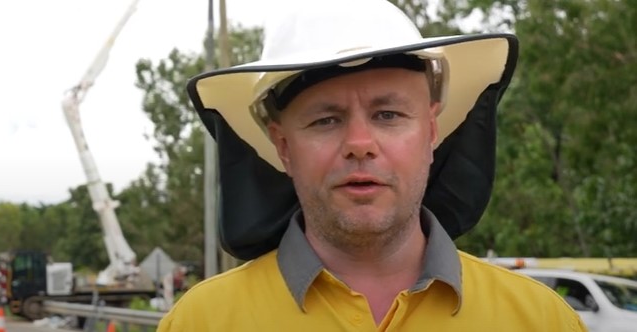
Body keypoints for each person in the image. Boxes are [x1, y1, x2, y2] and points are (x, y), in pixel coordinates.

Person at [157, 0, 587, 331]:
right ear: (283, 146)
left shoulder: (539, 320)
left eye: (388, 115)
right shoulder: (202, 322)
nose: (359, 145)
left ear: (432, 131)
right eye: (326, 120)